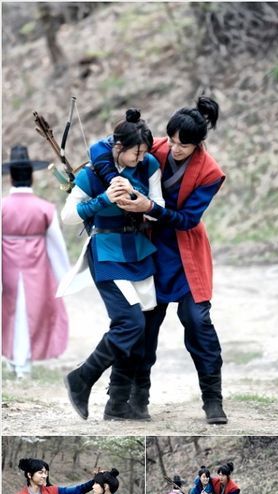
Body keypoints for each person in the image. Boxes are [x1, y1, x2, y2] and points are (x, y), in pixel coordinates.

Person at [88, 97, 227, 424]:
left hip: (187, 251)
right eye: (173, 140)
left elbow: (188, 219)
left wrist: (150, 207)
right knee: (145, 326)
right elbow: (101, 147)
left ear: (199, 143)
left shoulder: (210, 172)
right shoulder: (156, 146)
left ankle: (213, 401)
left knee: (198, 321)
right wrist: (112, 179)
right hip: (147, 247)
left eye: (183, 145)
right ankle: (135, 400)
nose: (174, 148)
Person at [60, 109, 164, 421]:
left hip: (139, 250)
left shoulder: (149, 165)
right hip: (105, 251)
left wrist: (141, 203)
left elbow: (159, 206)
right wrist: (104, 199)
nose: (140, 158)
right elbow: (68, 217)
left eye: (144, 152)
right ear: (119, 147)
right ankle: (81, 378)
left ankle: (117, 403)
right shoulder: (91, 174)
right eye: (135, 152)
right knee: (130, 323)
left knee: (140, 330)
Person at [2, 145, 69, 378]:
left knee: (10, 312)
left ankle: (13, 359)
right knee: (30, 313)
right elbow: (57, 247)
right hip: (36, 271)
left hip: (8, 269)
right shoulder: (45, 208)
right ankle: (23, 364)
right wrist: (64, 278)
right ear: (31, 176)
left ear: (10, 177)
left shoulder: (2, 206)